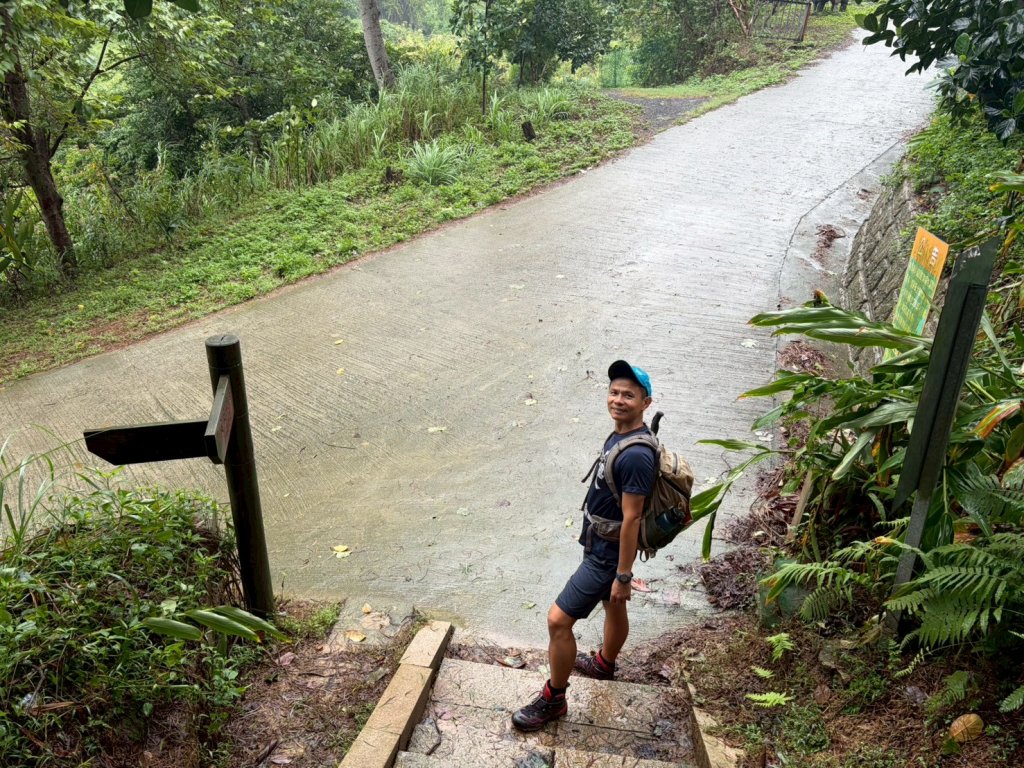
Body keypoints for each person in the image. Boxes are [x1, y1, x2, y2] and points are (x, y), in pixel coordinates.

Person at [511, 360, 657, 731]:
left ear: (646, 402)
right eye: (614, 392)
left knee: (558, 621)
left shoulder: (637, 454)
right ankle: (605, 664)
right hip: (603, 546)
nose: (618, 400)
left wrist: (623, 575)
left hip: (607, 554)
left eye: (628, 395)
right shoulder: (622, 435)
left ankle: (553, 699)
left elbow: (633, 518)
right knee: (612, 605)